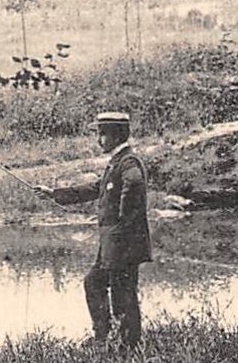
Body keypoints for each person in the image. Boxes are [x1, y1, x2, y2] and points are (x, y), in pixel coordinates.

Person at [37, 111, 152, 347]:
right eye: (99, 134)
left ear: (117, 135)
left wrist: (122, 222)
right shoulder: (116, 163)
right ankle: (105, 337)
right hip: (113, 243)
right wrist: (54, 194)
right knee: (95, 283)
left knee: (122, 293)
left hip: (122, 243)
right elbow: (95, 188)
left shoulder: (128, 162)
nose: (99, 140)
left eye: (103, 134)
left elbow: (134, 184)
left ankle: (127, 344)